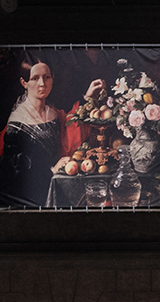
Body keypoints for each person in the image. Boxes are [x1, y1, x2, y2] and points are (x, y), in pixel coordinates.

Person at [0, 60, 98, 207]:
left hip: (55, 184)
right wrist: (52, 170)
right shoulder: (17, 125)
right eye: (35, 78)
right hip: (33, 199)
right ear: (24, 82)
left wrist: (87, 99)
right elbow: (16, 177)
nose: (42, 84)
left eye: (47, 77)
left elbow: (69, 131)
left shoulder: (52, 112)